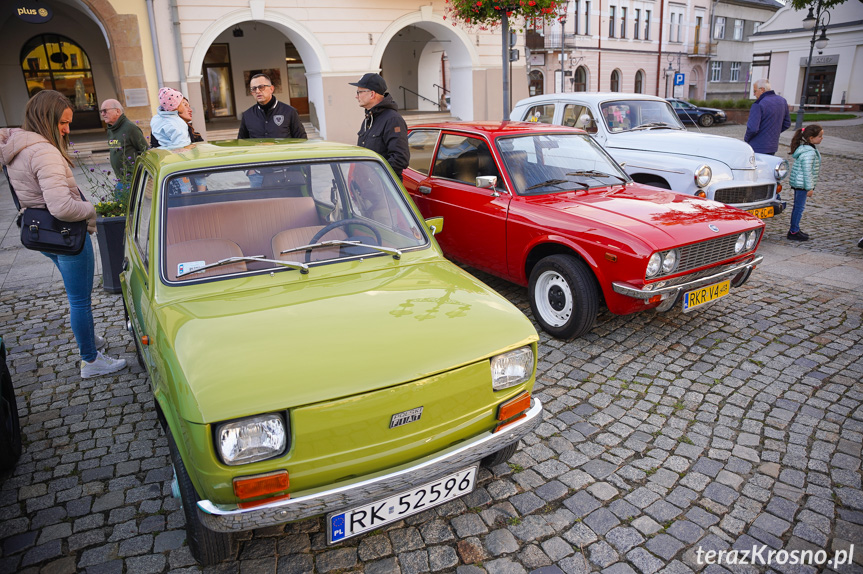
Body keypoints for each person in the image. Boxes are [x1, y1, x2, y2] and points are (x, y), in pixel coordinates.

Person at [0, 90, 127, 378]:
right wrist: (93, 208)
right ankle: (91, 360)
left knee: (76, 297)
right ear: (45, 118)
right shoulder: (44, 151)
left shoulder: (18, 146)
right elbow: (61, 207)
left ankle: (89, 338)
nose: (68, 130)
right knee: (79, 300)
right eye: (62, 123)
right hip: (66, 235)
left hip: (42, 234)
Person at [350, 73, 409, 178]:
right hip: (365, 188)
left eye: (359, 92)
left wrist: (377, 179)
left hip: (383, 190)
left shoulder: (393, 120)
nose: (356, 96)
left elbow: (399, 158)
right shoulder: (369, 118)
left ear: (372, 94)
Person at [237, 73, 306, 139]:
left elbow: (301, 139)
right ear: (252, 93)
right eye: (254, 89)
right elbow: (241, 142)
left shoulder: (289, 112)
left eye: (261, 87)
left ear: (271, 89)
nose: (257, 91)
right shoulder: (247, 115)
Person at [786, 124, 823, 242]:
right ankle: (793, 231)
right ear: (811, 138)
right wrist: (810, 188)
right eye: (820, 136)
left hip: (799, 182)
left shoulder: (807, 148)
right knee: (799, 208)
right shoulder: (809, 152)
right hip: (802, 184)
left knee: (798, 207)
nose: (822, 138)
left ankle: (795, 228)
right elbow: (807, 171)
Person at [101, 99, 148, 189]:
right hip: (120, 180)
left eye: (105, 111)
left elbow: (145, 151)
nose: (102, 114)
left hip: (132, 181)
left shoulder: (130, 128)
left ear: (117, 111)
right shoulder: (111, 129)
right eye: (101, 111)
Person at [744, 79, 791, 155]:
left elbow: (752, 128)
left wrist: (746, 139)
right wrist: (774, 132)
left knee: (758, 166)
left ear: (762, 90)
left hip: (757, 146)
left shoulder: (758, 104)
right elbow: (787, 123)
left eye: (755, 91)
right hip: (773, 145)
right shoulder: (782, 101)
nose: (754, 94)